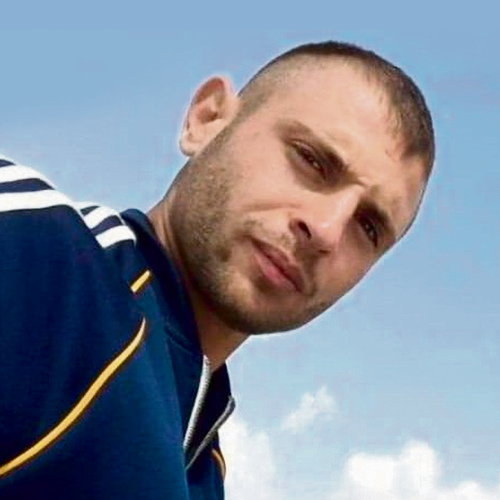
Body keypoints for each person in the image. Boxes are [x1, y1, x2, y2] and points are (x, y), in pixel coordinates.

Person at [0, 41, 434, 500]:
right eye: (311, 160)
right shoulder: (38, 252)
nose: (326, 231)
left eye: (368, 227)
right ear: (207, 119)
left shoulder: (203, 464)